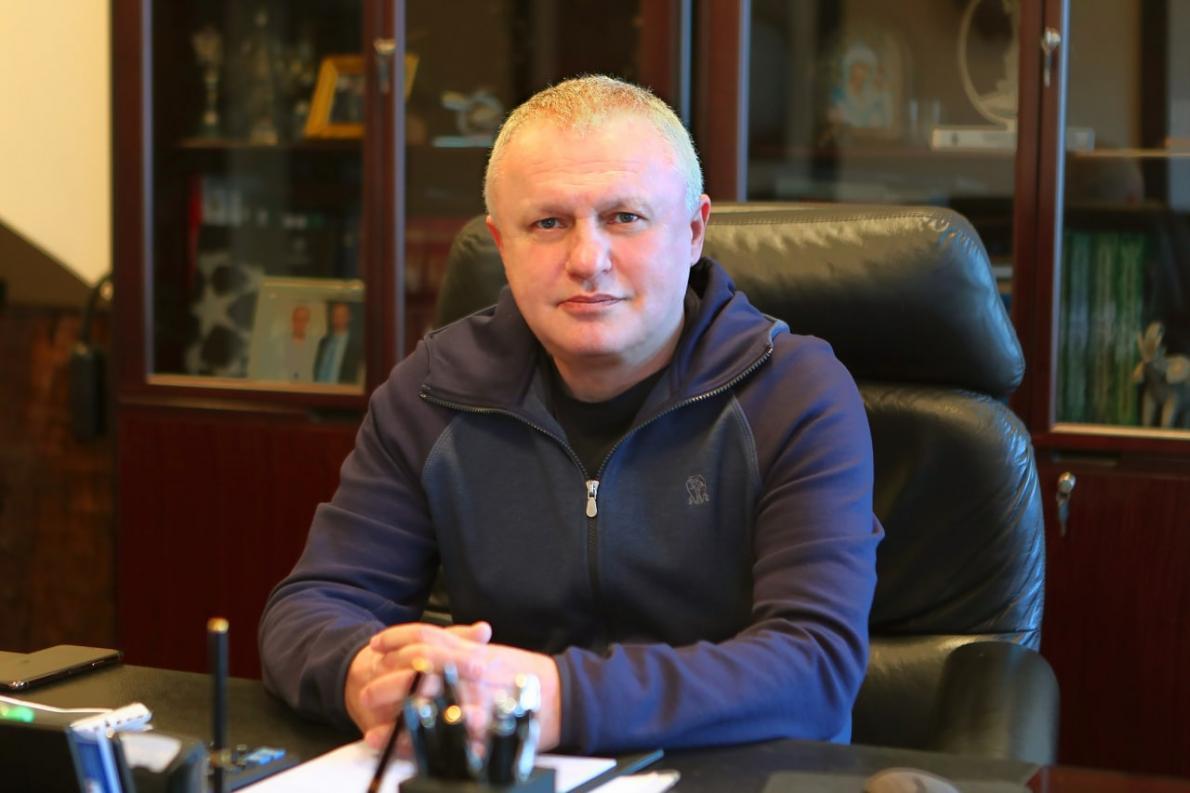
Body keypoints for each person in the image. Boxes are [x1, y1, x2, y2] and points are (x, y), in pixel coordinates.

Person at [259, 75, 882, 754]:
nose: (587, 260)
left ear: (694, 230)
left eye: (625, 217)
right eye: (548, 223)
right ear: (502, 244)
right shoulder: (433, 391)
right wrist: (363, 674)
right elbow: (308, 610)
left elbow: (814, 665)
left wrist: (554, 698)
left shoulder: (794, 392)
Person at [313, 300, 363, 384]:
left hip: (342, 390)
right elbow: (317, 369)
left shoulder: (355, 346)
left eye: (342, 315)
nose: (338, 319)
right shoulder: (323, 342)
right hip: (319, 388)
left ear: (348, 318)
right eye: (335, 315)